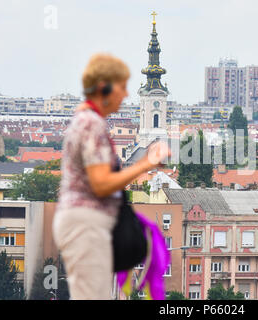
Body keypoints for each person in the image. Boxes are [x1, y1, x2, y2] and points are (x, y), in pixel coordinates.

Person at [53, 53, 170, 300]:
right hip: (86, 225)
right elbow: (101, 184)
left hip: (84, 223)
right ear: (104, 87)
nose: (126, 95)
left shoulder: (85, 121)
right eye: (122, 88)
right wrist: (146, 164)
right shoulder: (91, 125)